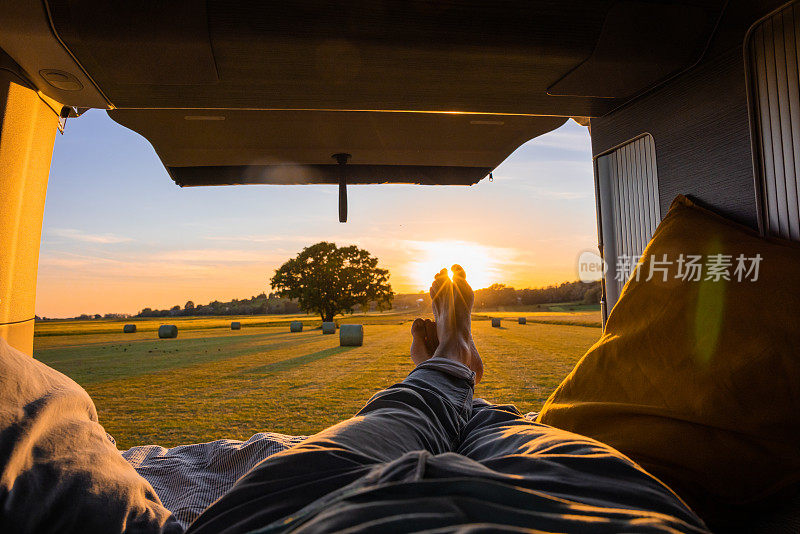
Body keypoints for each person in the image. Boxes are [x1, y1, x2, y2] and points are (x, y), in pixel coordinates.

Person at [187, 266, 708, 533]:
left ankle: (444, 365)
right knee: (505, 427)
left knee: (403, 413)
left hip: (283, 508)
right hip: (598, 509)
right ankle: (459, 359)